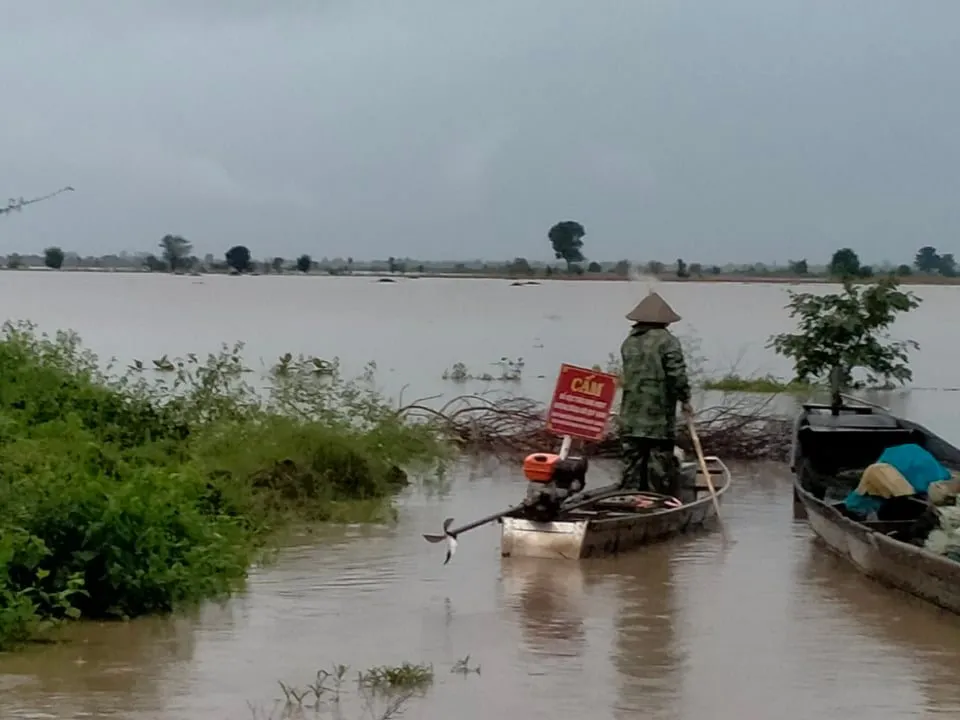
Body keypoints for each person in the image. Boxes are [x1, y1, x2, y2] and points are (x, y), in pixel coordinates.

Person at [618, 291, 693, 497]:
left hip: (630, 417)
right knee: (657, 465)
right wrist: (685, 399)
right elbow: (677, 374)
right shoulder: (668, 341)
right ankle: (653, 501)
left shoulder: (629, 342)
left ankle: (629, 499)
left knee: (631, 465)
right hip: (658, 417)